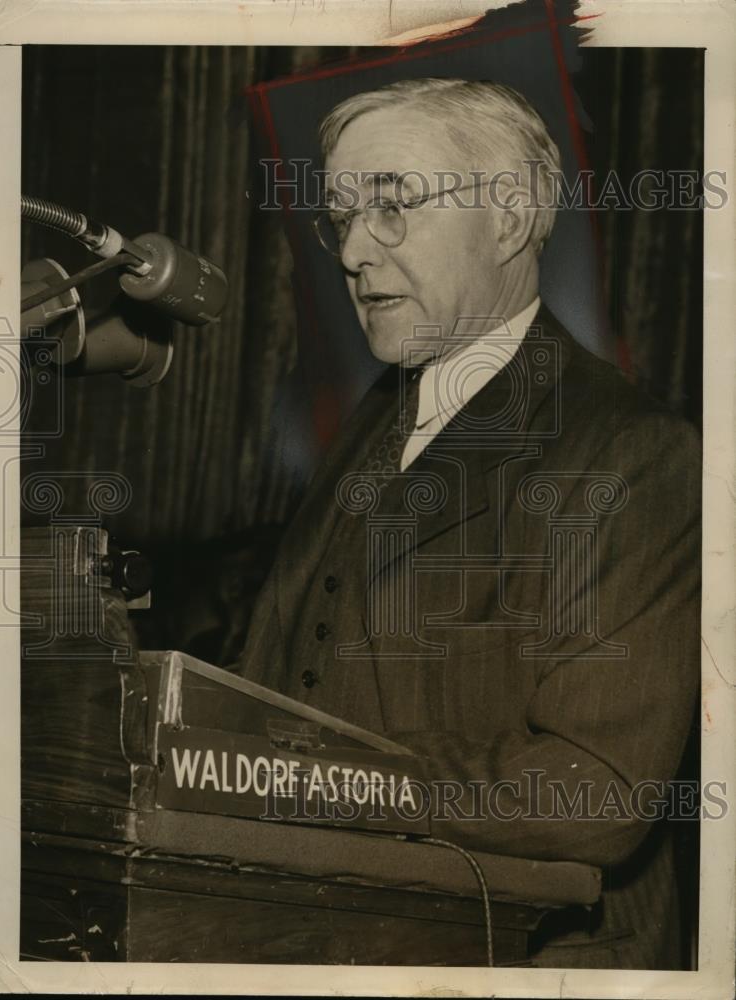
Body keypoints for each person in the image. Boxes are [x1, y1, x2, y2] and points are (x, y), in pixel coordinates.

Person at [239, 78, 701, 969]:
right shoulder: (377, 417)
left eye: (393, 204)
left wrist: (298, 781)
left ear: (512, 217)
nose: (353, 250)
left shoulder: (635, 456)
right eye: (340, 215)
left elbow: (596, 791)